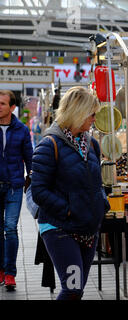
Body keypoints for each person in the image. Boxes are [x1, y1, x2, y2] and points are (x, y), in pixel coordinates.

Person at [30, 86, 110, 300]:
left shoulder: (91, 144)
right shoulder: (49, 145)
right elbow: (38, 191)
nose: (94, 119)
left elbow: (97, 183)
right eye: (92, 114)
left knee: (77, 290)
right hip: (60, 229)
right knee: (72, 290)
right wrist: (69, 211)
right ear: (78, 112)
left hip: (88, 229)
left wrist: (101, 204)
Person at [0, 90, 33, 291]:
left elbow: (29, 157)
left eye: (2, 104)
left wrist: (32, 179)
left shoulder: (21, 129)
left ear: (12, 107)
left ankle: (10, 273)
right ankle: (1, 270)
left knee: (10, 228)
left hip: (13, 185)